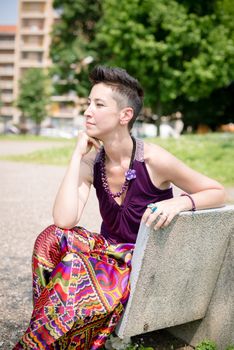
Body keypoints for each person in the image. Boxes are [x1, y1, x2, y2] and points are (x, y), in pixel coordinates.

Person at [14, 66, 226, 349]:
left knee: (74, 265)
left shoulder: (153, 159)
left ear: (125, 115)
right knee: (50, 238)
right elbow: (64, 221)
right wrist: (77, 156)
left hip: (143, 259)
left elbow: (217, 191)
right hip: (109, 253)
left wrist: (180, 202)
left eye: (98, 104)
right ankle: (46, 328)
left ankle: (48, 340)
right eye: (88, 103)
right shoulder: (92, 163)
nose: (88, 111)